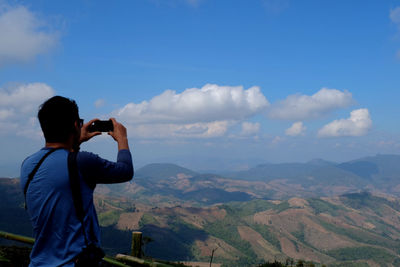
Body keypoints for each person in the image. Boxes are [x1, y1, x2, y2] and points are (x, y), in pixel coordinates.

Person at [20, 96, 134, 267]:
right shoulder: (83, 162)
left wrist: (76, 140)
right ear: (75, 125)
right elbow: (125, 171)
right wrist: (122, 139)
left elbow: (61, 164)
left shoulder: (28, 164)